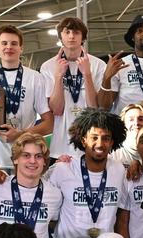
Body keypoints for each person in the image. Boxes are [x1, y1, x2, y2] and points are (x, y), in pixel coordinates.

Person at [49, 108, 127, 238]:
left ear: (112, 142)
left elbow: (122, 216)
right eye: (94, 137)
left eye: (106, 138)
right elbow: (50, 216)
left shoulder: (119, 170)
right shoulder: (63, 169)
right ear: (84, 140)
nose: (100, 143)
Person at [0, 25, 53, 169]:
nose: (9, 47)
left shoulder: (35, 78)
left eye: (14, 43)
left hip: (23, 159)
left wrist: (21, 134)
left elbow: (49, 123)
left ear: (21, 48)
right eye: (4, 43)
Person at [0, 133, 63, 238]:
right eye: (26, 155)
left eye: (38, 156)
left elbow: (53, 223)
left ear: (44, 161)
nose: (32, 161)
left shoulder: (54, 195)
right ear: (15, 159)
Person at [41, 17, 107, 161]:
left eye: (76, 32)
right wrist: (58, 75)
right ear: (61, 36)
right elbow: (56, 110)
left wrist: (87, 74)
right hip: (60, 147)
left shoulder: (98, 65)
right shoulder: (48, 66)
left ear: (82, 37)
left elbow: (94, 108)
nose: (71, 36)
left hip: (90, 144)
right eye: (67, 32)